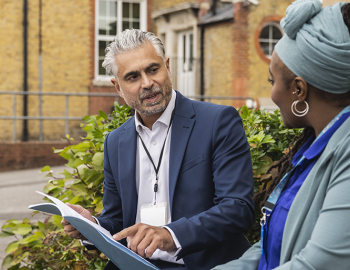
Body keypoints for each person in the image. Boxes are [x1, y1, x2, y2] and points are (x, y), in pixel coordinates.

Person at [62, 29, 255, 270]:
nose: (147, 83)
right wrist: (91, 227)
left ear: (167, 66)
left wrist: (170, 234)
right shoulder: (115, 142)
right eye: (132, 77)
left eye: (153, 69)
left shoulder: (217, 121)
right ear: (118, 87)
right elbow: (118, 221)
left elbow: (237, 209)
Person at [212, 1, 350, 270]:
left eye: (271, 81)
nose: (272, 93)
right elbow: (273, 243)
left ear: (299, 89)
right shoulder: (312, 148)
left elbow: (318, 264)